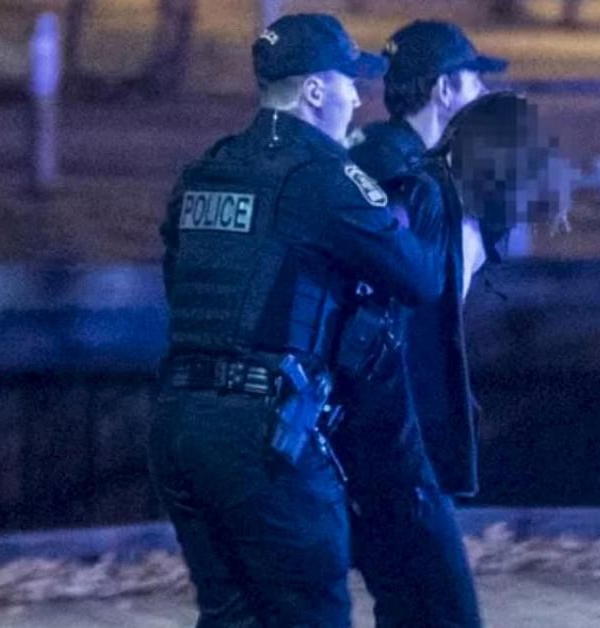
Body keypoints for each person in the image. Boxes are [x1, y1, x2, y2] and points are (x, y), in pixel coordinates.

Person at [150, 13, 444, 627]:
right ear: (314, 91)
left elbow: (181, 279)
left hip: (180, 427)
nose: (358, 98)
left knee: (231, 616)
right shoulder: (322, 177)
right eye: (348, 82)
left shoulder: (212, 167)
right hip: (264, 438)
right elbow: (419, 277)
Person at [332, 20, 509, 628]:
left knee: (402, 606)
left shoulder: (357, 154)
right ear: (443, 91)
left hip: (338, 429)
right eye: (474, 81)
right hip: (397, 433)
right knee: (446, 612)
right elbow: (428, 298)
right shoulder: (422, 182)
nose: (483, 95)